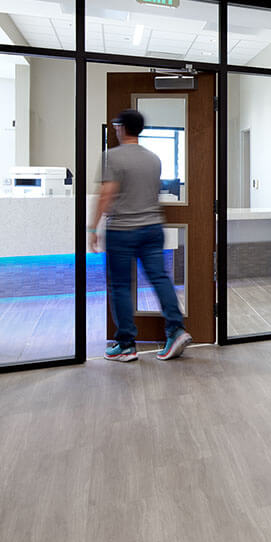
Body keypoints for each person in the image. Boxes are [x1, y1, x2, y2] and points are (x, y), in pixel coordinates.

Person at [89, 108, 192, 362]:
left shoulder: (111, 157)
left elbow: (107, 194)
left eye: (116, 125)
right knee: (160, 278)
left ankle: (126, 344)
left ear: (122, 127)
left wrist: (93, 228)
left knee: (121, 286)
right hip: (152, 228)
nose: (114, 128)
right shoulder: (154, 158)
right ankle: (176, 329)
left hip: (122, 231)